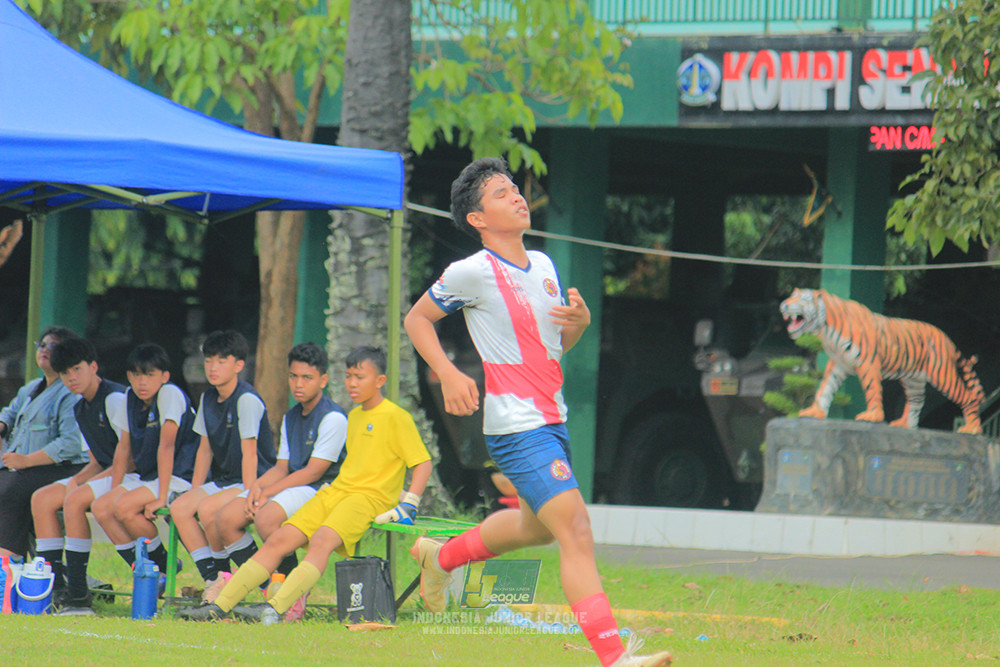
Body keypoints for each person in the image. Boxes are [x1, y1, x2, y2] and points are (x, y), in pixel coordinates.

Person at [402, 158, 672, 667]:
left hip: (552, 417)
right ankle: (614, 657)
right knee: (576, 531)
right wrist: (449, 372)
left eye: (515, 189)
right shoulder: (472, 272)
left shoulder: (544, 265)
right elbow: (417, 319)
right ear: (477, 219)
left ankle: (440, 557)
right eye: (502, 194)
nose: (517, 197)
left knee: (536, 529)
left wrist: (580, 325)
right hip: (516, 426)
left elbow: (550, 348)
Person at [178, 345, 432, 624]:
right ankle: (219, 606)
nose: (351, 383)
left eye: (360, 377)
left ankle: (275, 609)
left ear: (380, 381)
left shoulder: (397, 416)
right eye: (348, 376)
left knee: (320, 542)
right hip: (335, 492)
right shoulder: (355, 416)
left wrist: (410, 503)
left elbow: (422, 462)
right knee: (278, 540)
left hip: (366, 500)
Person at [204, 342, 348, 617]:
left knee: (266, 518)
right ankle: (268, 585)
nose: (298, 384)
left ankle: (293, 592)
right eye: (293, 376)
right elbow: (282, 467)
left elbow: (313, 472)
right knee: (226, 519)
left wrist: (268, 493)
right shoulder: (291, 416)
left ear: (323, 380)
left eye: (307, 378)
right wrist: (257, 488)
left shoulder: (333, 417)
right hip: (293, 484)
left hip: (321, 489)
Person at [170, 330, 276, 593]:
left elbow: (251, 453)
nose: (212, 368)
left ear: (239, 365)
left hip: (254, 479)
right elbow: (204, 451)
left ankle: (258, 583)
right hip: (225, 480)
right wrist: (195, 489)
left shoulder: (247, 399)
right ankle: (213, 579)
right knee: (180, 508)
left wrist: (249, 494)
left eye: (221, 361)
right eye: (208, 361)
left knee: (207, 510)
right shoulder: (207, 398)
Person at [30, 336, 127, 613]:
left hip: (130, 476)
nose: (71, 378)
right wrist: (76, 480)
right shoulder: (80, 407)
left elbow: (128, 458)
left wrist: (83, 487)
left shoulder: (115, 398)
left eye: (77, 369)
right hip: (107, 472)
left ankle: (78, 594)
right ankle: (54, 586)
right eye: (64, 373)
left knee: (74, 500)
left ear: (93, 366)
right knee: (42, 498)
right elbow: (97, 461)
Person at [90, 343, 200, 583]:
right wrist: (115, 488)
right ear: (129, 376)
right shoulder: (129, 397)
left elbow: (166, 446)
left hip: (180, 476)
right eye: (136, 375)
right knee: (102, 507)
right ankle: (146, 571)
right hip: (150, 477)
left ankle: (162, 566)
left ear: (164, 376)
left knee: (124, 507)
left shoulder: (170, 394)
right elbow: (124, 447)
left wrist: (162, 497)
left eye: (150, 375)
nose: (142, 382)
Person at [0, 326, 86, 561]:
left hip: (59, 468)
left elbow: (70, 444)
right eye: (42, 344)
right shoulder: (32, 388)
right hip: (21, 467)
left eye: (53, 345)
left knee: (8, 489)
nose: (45, 350)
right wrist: (2, 426)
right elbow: (10, 412)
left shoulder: (70, 392)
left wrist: (27, 460)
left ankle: (8, 563)